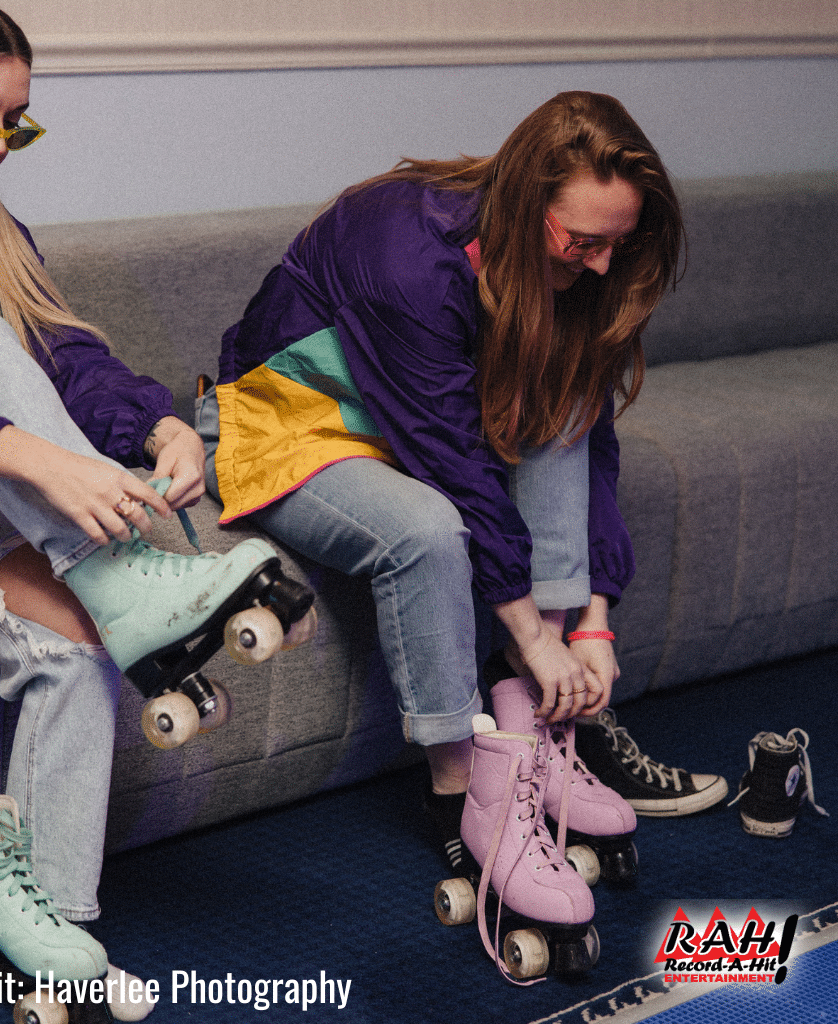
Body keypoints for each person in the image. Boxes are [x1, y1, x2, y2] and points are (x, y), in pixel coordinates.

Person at [0, 1, 283, 1018]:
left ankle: (45, 929)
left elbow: (61, 350)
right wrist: (25, 455)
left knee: (68, 638)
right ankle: (124, 578)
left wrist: (157, 425)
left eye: (14, 124)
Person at [198, 91, 727, 869]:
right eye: (583, 242)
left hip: (409, 426)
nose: (602, 264)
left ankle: (542, 724)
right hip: (287, 426)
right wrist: (530, 637)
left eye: (619, 242)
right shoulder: (404, 252)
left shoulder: (574, 269)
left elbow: (589, 436)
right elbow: (452, 460)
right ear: (525, 201)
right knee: (428, 531)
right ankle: (461, 792)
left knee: (564, 402)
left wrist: (590, 624)